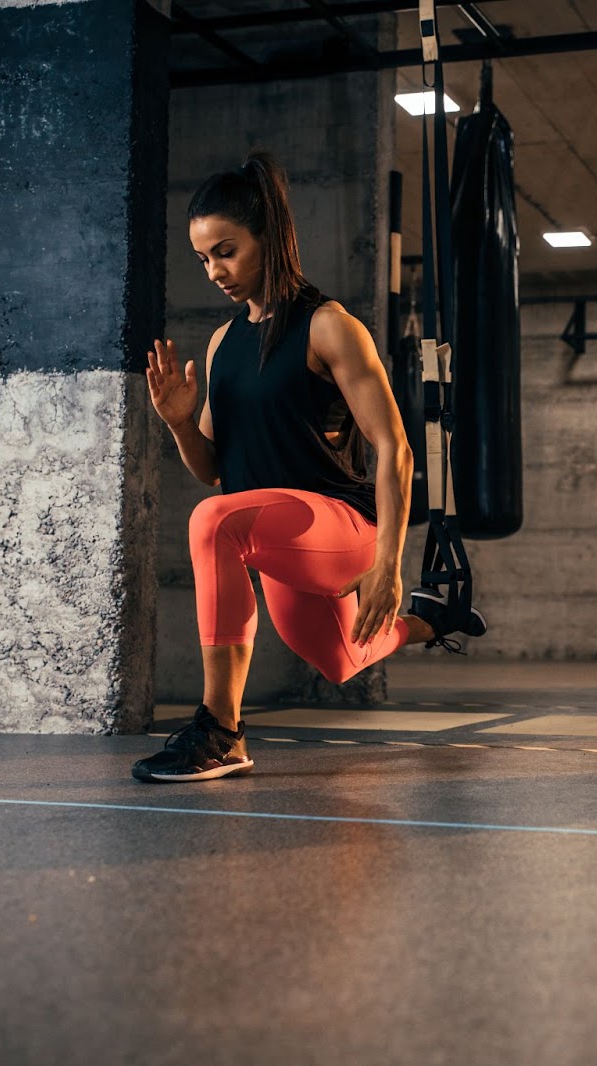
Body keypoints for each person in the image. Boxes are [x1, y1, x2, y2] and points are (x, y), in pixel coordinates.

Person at [132, 151, 484, 784]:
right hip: (278, 534)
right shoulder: (222, 342)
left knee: (214, 523)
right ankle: (436, 620)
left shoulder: (329, 327)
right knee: (343, 658)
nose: (214, 270)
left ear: (269, 236)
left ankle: (222, 729)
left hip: (344, 526)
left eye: (226, 251)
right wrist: (180, 422)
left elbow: (396, 450)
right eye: (204, 258)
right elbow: (214, 470)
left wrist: (388, 565)